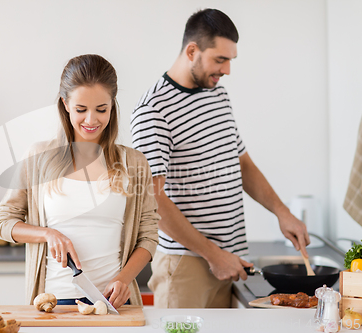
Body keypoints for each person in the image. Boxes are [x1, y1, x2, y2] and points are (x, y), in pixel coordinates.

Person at [130, 8, 310, 308]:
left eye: (230, 60)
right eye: (220, 59)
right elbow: (153, 200)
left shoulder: (217, 95)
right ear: (192, 51)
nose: (226, 70)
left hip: (227, 262)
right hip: (186, 267)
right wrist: (214, 256)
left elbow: (243, 165)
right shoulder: (153, 111)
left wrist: (282, 212)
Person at [0, 54, 159, 308]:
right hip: (54, 303)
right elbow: (4, 223)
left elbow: (148, 236)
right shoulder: (39, 158)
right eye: (81, 109)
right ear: (65, 104)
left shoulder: (134, 163)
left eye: (101, 109)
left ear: (112, 106)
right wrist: (47, 234)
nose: (91, 120)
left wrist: (124, 279)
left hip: (113, 304)